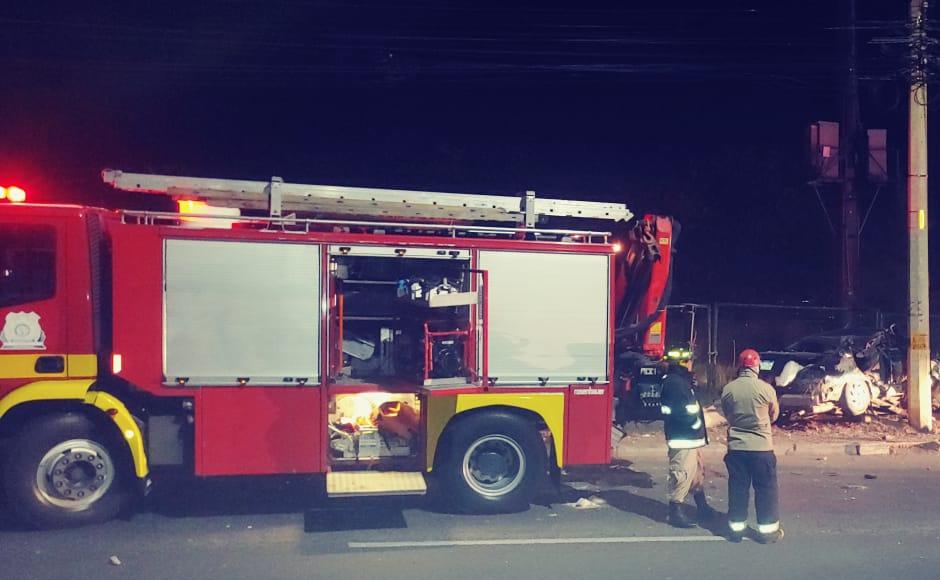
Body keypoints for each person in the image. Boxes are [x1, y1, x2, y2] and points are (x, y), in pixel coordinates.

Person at [720, 348, 783, 543]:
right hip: (761, 448)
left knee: (738, 488)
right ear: (757, 366)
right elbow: (774, 415)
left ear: (740, 366)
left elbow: (726, 413)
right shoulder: (766, 389)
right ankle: (768, 532)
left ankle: (736, 530)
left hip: (737, 448)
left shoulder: (729, 389)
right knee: (765, 490)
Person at [659, 350, 717, 528]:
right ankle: (675, 511)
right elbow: (682, 412)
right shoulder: (675, 383)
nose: (692, 363)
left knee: (696, 474)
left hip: (692, 438)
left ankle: (702, 507)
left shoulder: (682, 381)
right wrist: (696, 424)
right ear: (682, 363)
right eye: (689, 360)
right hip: (683, 437)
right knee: (682, 474)